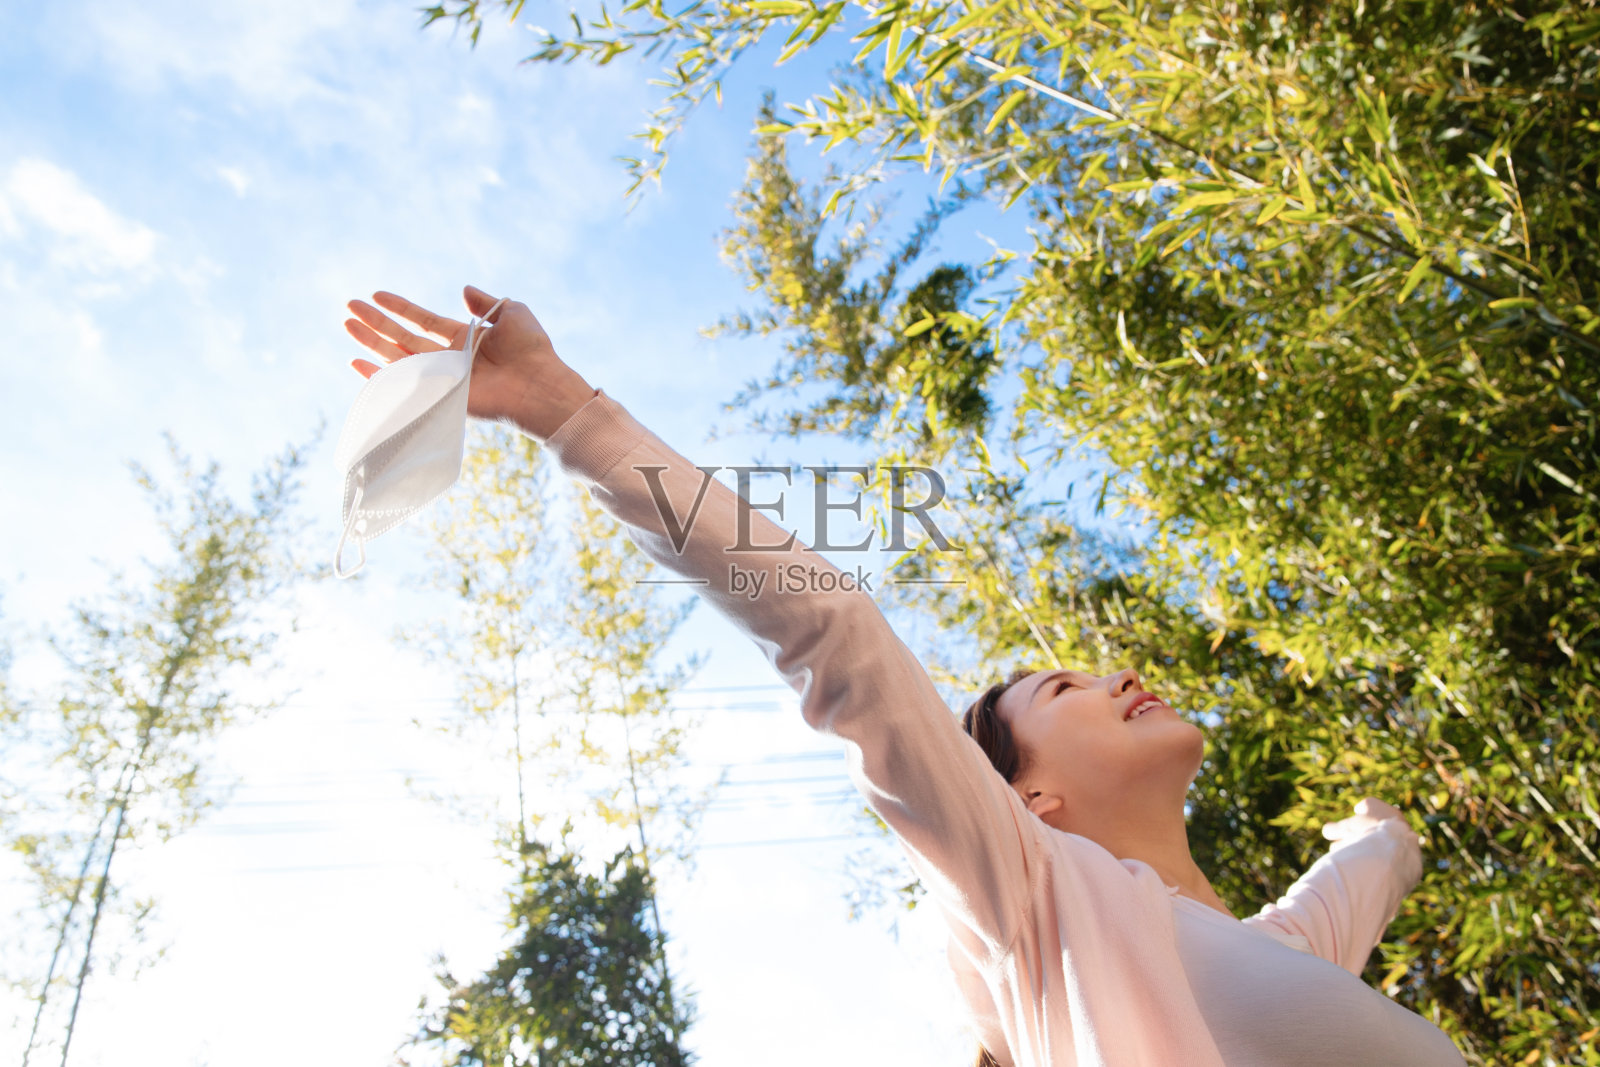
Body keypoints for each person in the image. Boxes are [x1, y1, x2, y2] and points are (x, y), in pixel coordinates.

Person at [343, 286, 1469, 1066]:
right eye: (1063, 688)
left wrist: (1370, 829)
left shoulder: (1281, 949)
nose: (1114, 670)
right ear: (1030, 803)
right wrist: (564, 410)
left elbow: (1376, 862)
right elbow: (830, 628)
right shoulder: (1040, 899)